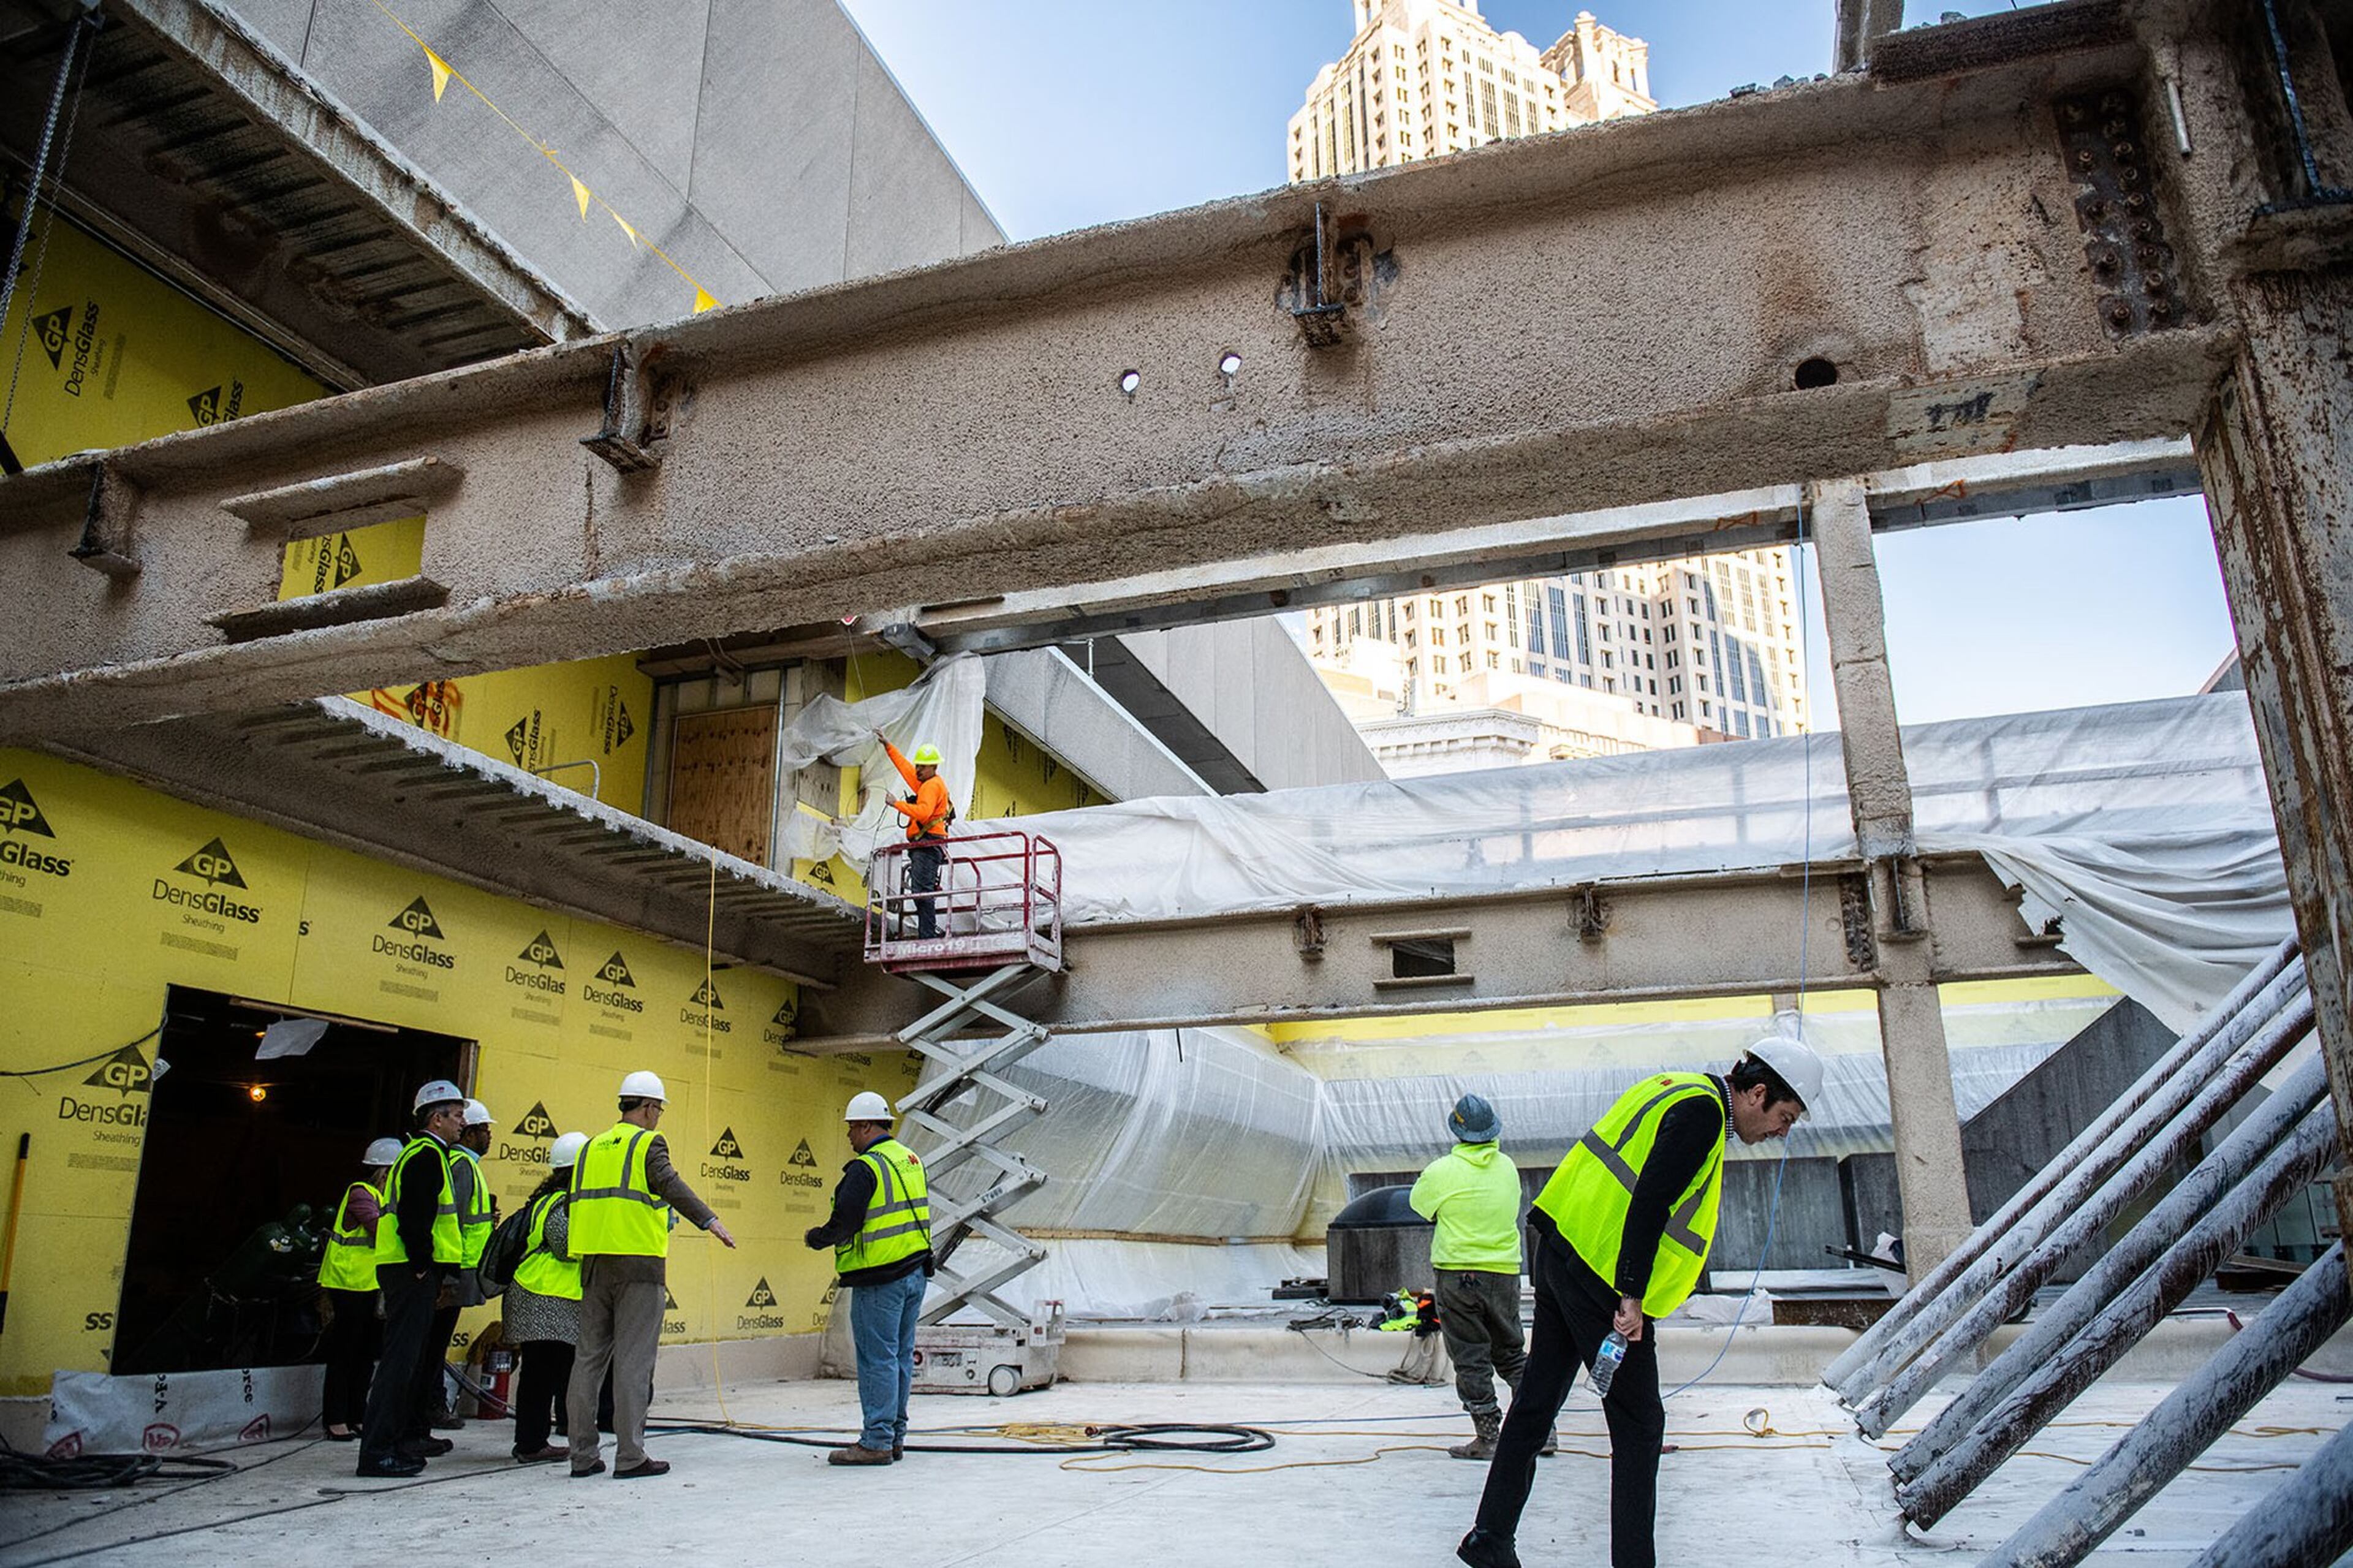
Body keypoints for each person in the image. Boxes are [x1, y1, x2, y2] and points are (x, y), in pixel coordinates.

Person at [1458, 1036, 1823, 1568]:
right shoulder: (1702, 1114)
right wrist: (1631, 1293)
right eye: (1784, 1116)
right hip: (1603, 1275)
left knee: (1537, 1402)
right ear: (1757, 1092)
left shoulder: (1676, 1087)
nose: (1781, 1131)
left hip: (1563, 1248)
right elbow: (1650, 1199)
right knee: (1640, 1426)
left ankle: (1489, 1537)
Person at [566, 1071, 737, 1480]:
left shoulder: (589, 1147)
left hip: (593, 1262)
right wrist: (709, 1219)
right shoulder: (647, 1142)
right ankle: (630, 1456)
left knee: (587, 1360)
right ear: (646, 1106)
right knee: (633, 1361)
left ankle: (582, 1456)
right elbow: (670, 1183)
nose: (658, 1117)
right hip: (638, 1264)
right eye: (658, 1109)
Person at [1411, 1093, 1552, 1462]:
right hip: (1504, 1274)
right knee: (1511, 1353)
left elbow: (1419, 1206)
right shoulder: (1507, 1167)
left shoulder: (1441, 1171)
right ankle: (1543, 1432)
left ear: (1457, 1130)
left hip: (1458, 1275)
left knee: (1471, 1356)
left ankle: (1488, 1437)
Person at [802, 1091, 933, 1465]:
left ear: (864, 1126)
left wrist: (816, 1238)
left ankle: (876, 1441)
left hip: (880, 1278)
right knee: (899, 1358)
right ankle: (894, 1438)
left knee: (878, 1360)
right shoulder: (910, 1159)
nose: (848, 1137)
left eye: (851, 1129)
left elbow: (845, 1222)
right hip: (914, 1273)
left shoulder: (866, 1168)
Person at [357, 1081, 468, 1479]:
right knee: (400, 1363)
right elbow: (415, 1217)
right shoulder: (425, 1155)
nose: (463, 1122)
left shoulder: (426, 1153)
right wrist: (423, 1264)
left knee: (409, 1359)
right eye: (457, 1115)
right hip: (410, 1269)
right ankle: (378, 1451)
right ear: (436, 1118)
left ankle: (397, 1440)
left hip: (409, 1268)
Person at [508, 1131, 588, 1464]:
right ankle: (531, 1444)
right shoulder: (561, 1204)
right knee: (542, 1376)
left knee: (542, 1375)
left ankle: (534, 1441)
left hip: (541, 1297)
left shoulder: (547, 1199)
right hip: (545, 1299)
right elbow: (566, 1246)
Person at [317, 1136, 400, 1441]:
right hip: (349, 1283)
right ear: (386, 1172)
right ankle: (336, 1418)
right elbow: (378, 1228)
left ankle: (357, 1414)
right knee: (345, 1352)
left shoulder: (385, 1199)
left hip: (371, 1286)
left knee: (366, 1353)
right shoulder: (362, 1194)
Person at [423, 1098, 499, 1431]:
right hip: (454, 1271)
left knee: (434, 1342)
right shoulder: (460, 1166)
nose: (489, 1137)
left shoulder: (463, 1165)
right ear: (468, 1133)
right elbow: (449, 1222)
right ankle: (429, 1406)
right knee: (433, 1344)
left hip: (459, 1269)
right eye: (484, 1130)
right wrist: (450, 1276)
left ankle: (429, 1405)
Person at [875, 730, 953, 937]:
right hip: (926, 844)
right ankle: (928, 933)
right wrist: (888, 746)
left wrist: (897, 804)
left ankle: (928, 935)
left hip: (928, 845)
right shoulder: (928, 782)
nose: (918, 769)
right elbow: (906, 769)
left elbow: (924, 813)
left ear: (933, 767)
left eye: (922, 766)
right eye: (918, 765)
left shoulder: (931, 786)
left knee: (922, 892)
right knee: (922, 891)